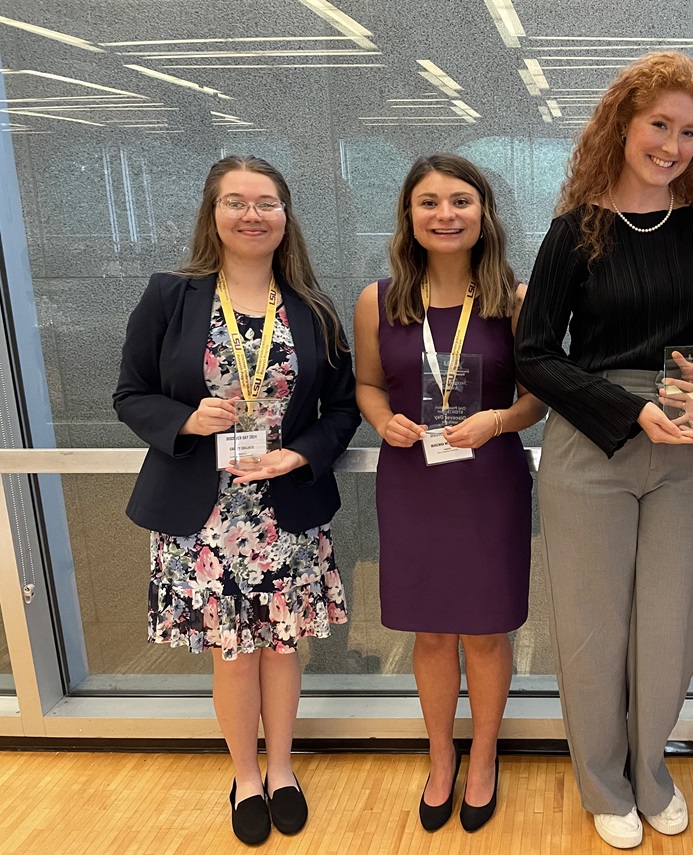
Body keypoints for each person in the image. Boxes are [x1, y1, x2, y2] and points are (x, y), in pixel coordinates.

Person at [514, 51, 693, 849]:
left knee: (673, 619)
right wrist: (626, 409)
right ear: (623, 123)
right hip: (593, 438)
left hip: (684, 436)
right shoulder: (574, 233)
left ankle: (652, 770)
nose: (673, 145)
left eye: (690, 132)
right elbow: (534, 352)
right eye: (660, 125)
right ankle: (603, 782)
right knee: (591, 622)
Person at [113, 155, 360, 846]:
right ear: (212, 213)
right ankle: (245, 775)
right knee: (233, 653)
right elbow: (130, 394)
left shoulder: (312, 308)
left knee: (282, 650)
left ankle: (282, 769)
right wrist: (187, 420)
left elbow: (342, 410)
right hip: (205, 516)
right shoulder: (172, 295)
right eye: (236, 201)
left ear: (286, 216)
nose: (252, 214)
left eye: (267, 202)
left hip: (284, 511)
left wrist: (300, 452)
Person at [354, 154, 546, 833]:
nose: (445, 214)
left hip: (488, 480)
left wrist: (497, 419)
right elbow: (370, 383)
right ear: (409, 215)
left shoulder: (515, 302)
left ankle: (486, 756)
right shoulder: (380, 300)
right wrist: (382, 420)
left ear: (484, 213)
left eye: (460, 200)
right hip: (414, 480)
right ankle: (442, 757)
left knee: (487, 635)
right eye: (429, 202)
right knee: (430, 634)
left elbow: (537, 399)